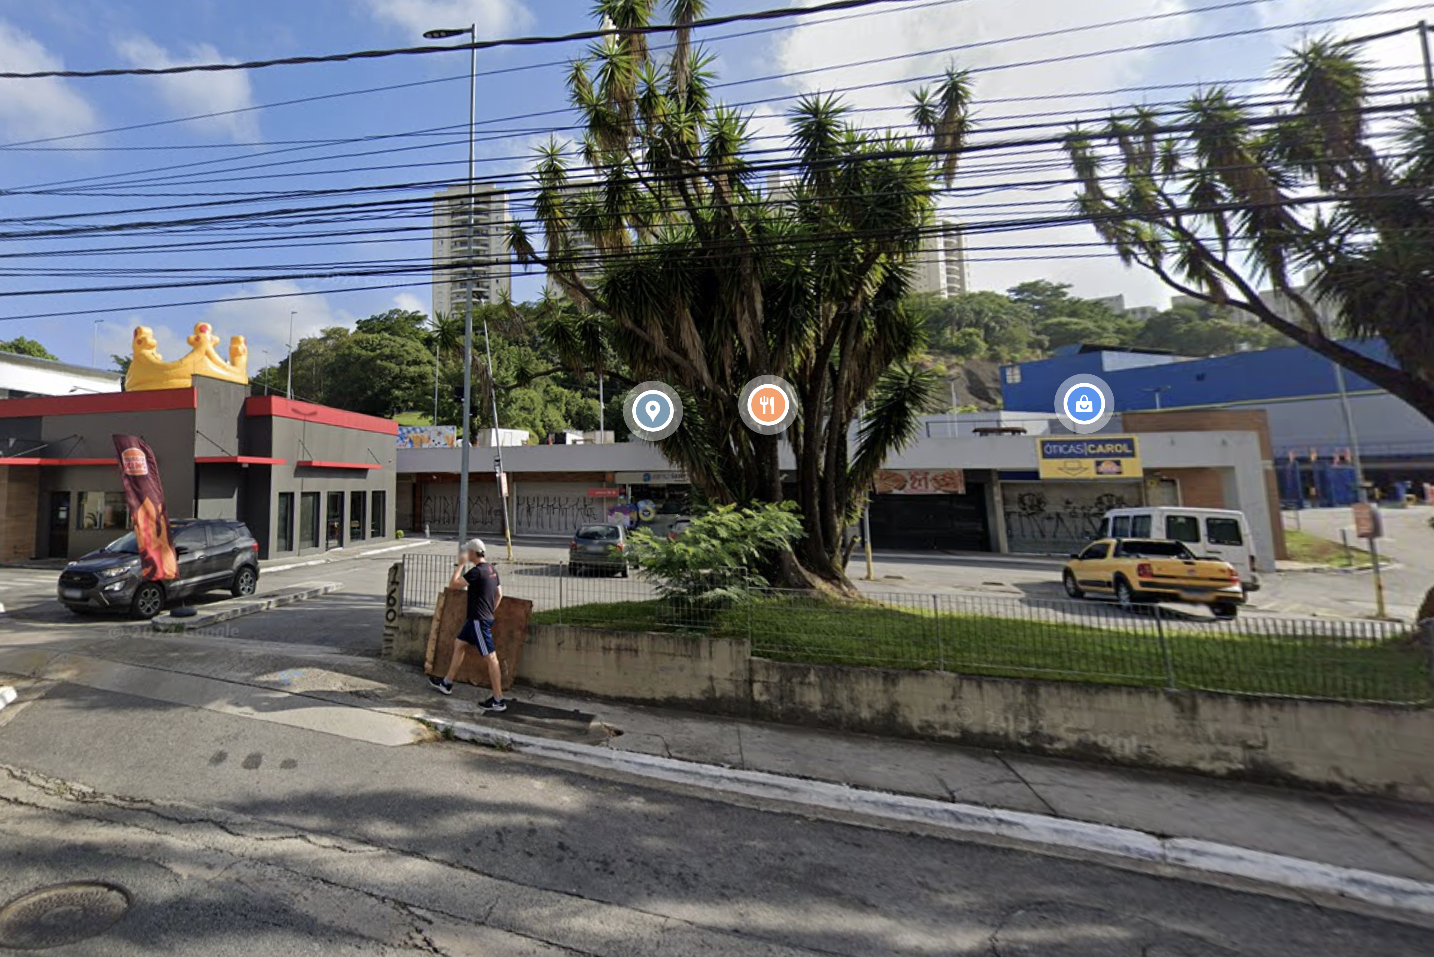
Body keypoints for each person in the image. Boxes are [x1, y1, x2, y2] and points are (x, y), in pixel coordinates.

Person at [428, 538, 506, 711]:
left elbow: (453, 585)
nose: (465, 554)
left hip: (478, 620)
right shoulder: (492, 569)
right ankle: (447, 683)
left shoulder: (476, 571)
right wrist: (490, 612)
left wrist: (461, 565)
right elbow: (499, 594)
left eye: (467, 552)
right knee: (459, 644)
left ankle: (498, 700)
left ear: (472, 553)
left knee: (491, 658)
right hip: (478, 619)